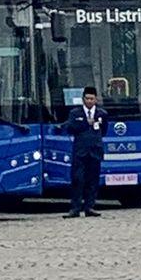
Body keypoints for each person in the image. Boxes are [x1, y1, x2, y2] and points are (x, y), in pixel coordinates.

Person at [57, 86, 109, 218]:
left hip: (95, 150)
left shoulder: (102, 114)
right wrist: (86, 123)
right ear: (83, 99)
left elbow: (103, 131)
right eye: (87, 98)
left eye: (92, 99)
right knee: (78, 179)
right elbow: (71, 128)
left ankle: (89, 206)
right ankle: (75, 208)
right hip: (80, 151)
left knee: (93, 180)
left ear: (96, 99)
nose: (90, 101)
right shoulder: (75, 113)